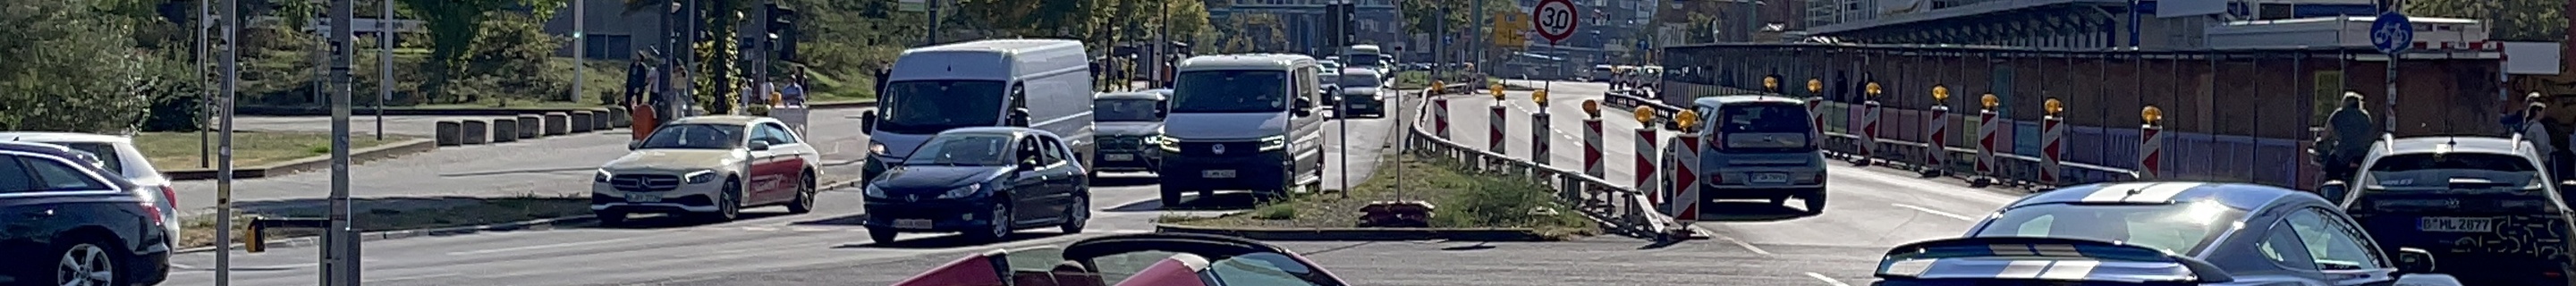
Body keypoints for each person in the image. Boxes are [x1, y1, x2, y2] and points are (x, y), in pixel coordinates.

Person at [2321, 92, 2377, 181]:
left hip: (2343, 154)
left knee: (2330, 169)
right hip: (2362, 155)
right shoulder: (2365, 116)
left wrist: (2322, 139)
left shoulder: (2339, 114)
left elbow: (2326, 133)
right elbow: (2370, 134)